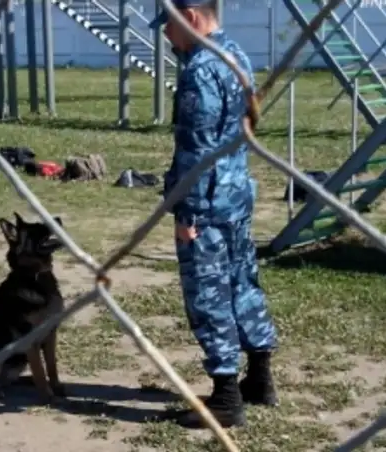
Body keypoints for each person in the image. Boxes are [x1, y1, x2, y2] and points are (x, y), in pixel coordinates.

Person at [150, 0, 279, 429]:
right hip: (236, 193)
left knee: (208, 295)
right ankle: (259, 378)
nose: (165, 34)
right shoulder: (236, 56)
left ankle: (226, 397)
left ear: (191, 17)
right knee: (243, 282)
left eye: (169, 24)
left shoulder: (199, 71)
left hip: (204, 202)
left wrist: (184, 210)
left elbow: (197, 147)